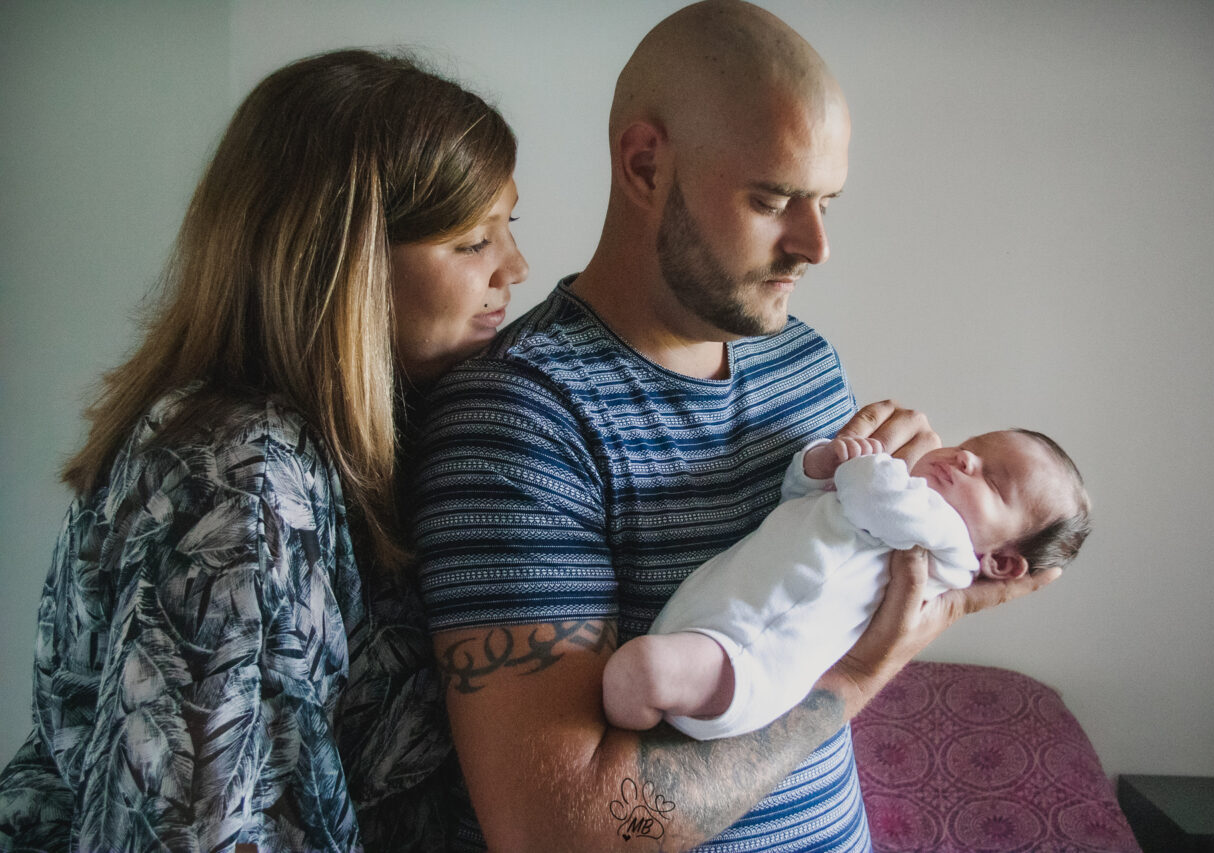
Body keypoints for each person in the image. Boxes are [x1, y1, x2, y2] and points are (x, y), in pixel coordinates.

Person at [407, 2, 1059, 851]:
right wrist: (865, 671)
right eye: (774, 198)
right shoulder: (518, 418)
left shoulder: (806, 361)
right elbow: (559, 832)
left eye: (827, 200)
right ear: (645, 165)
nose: (817, 244)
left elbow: (827, 602)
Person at [0, 49, 528, 853]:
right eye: (471, 243)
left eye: (508, 230)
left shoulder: (378, 437)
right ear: (342, 262)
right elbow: (189, 832)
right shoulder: (237, 481)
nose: (513, 269)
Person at [602, 429, 1092, 739]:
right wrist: (819, 466)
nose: (965, 461)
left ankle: (632, 736)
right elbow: (798, 500)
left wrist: (862, 464)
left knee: (639, 671)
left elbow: (874, 493)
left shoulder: (947, 548)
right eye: (970, 449)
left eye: (993, 481)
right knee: (636, 667)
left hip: (748, 660)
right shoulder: (877, 502)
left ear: (1002, 563)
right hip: (707, 623)